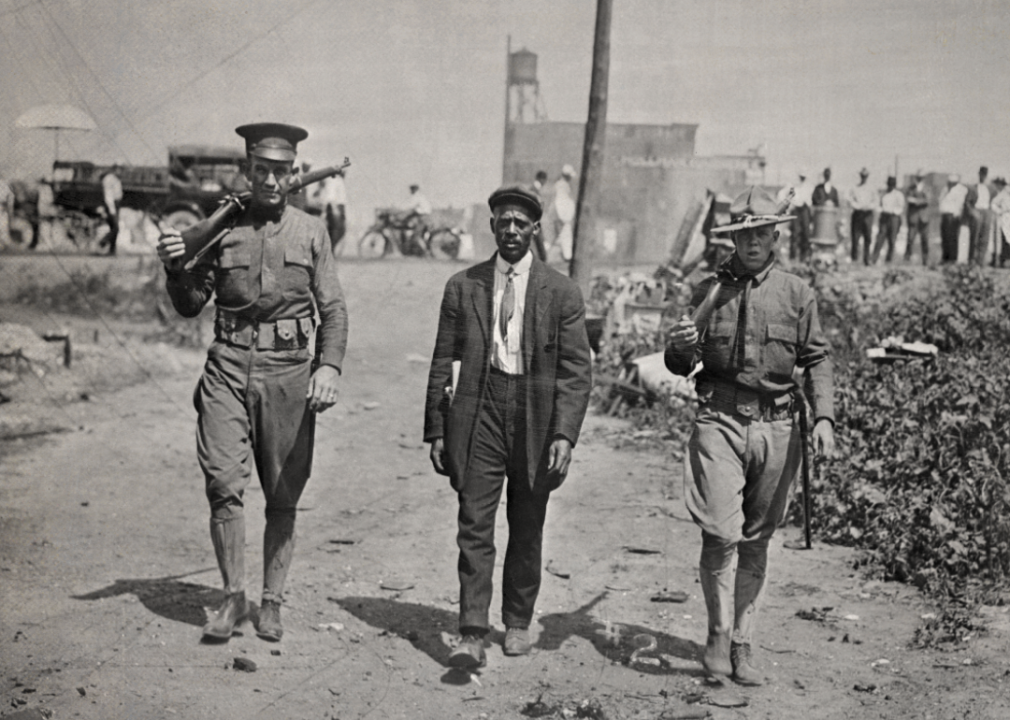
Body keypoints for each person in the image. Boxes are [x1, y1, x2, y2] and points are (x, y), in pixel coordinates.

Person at [155, 122, 349, 643]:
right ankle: (232, 598)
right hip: (227, 363)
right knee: (223, 482)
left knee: (283, 492)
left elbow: (332, 308)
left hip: (288, 371)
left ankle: (273, 602)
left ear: (294, 174)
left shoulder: (311, 232)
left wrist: (328, 366)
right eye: (260, 169)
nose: (270, 180)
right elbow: (192, 303)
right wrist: (176, 269)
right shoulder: (222, 227)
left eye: (280, 171)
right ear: (247, 170)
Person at [665, 186, 835, 686]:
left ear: (775, 234)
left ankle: (743, 642)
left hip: (779, 428)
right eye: (744, 233)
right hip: (718, 421)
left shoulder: (797, 293)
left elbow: (818, 358)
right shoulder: (707, 291)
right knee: (720, 533)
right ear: (732, 238)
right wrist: (677, 348)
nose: (753, 241)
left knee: (757, 540)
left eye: (762, 231)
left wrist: (823, 417)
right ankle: (717, 632)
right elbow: (682, 363)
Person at [424, 184, 592, 669]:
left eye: (522, 223)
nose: (512, 230)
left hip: (535, 414)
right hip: (481, 410)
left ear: (535, 229)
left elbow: (577, 372)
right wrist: (437, 427)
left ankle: (517, 621)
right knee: (473, 523)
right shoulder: (464, 286)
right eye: (504, 221)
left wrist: (564, 434)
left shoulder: (561, 292)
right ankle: (472, 630)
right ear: (492, 226)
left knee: (527, 522)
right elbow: (443, 359)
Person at [871, 176, 904, 264]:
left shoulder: (899, 195)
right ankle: (874, 259)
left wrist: (892, 211)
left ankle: (889, 260)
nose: (890, 186)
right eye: (889, 185)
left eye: (892, 185)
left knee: (892, 240)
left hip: (894, 218)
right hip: (884, 218)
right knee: (880, 238)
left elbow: (900, 208)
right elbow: (878, 206)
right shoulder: (883, 194)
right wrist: (882, 210)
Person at [847, 168, 876, 265]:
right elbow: (850, 200)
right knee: (855, 238)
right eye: (862, 176)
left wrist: (868, 206)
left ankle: (866, 259)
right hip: (858, 214)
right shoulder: (855, 188)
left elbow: (876, 201)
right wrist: (858, 206)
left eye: (865, 176)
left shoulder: (872, 188)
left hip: (868, 214)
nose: (864, 178)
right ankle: (854, 259)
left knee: (868, 238)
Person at [965, 165, 992, 266]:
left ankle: (980, 262)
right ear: (979, 174)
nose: (983, 176)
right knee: (975, 238)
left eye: (985, 175)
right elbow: (967, 203)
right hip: (977, 212)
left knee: (984, 239)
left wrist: (990, 212)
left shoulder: (990, 188)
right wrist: (973, 212)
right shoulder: (973, 188)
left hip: (986, 213)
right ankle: (971, 261)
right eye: (981, 174)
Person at [939, 174, 968, 264]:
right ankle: (945, 258)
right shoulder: (945, 189)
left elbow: (960, 204)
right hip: (945, 215)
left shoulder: (961, 190)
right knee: (945, 238)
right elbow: (941, 200)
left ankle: (952, 259)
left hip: (953, 216)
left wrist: (957, 214)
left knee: (952, 238)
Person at [905, 170, 931, 265]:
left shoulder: (927, 188)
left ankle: (925, 261)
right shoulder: (911, 188)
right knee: (910, 239)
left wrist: (916, 201)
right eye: (918, 177)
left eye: (921, 177)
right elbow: (908, 199)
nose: (919, 179)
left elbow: (927, 200)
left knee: (925, 240)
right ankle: (907, 260)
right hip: (913, 217)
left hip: (924, 218)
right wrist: (920, 200)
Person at [551, 165, 577, 261]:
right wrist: (563, 218)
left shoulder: (563, 185)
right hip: (562, 219)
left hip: (562, 218)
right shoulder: (561, 186)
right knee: (564, 238)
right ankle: (567, 257)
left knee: (560, 239)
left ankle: (566, 257)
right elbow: (559, 201)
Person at [98, 165, 123, 255]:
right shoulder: (108, 179)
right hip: (111, 205)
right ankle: (103, 241)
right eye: (120, 169)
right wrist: (112, 210)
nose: (121, 171)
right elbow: (108, 196)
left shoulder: (116, 179)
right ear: (115, 169)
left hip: (116, 204)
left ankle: (112, 250)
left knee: (113, 228)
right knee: (116, 228)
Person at [403, 183, 432, 255]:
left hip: (422, 217)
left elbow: (411, 207)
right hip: (424, 217)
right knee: (418, 235)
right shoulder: (421, 196)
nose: (410, 191)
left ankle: (426, 252)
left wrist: (401, 213)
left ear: (414, 190)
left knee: (417, 236)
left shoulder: (416, 196)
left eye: (411, 190)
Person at [529, 170, 550, 262]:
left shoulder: (534, 189)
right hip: (534, 219)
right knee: (539, 242)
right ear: (542, 179)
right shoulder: (534, 190)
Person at [990, 177, 1010, 267]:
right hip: (1005, 218)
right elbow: (993, 203)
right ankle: (1002, 261)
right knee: (1004, 240)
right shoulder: (1004, 193)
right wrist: (1000, 211)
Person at [0, 172, 14, 250]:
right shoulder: (4, 183)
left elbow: (9, 197)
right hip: (3, 208)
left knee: (3, 227)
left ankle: (4, 244)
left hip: (2, 208)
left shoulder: (3, 183)